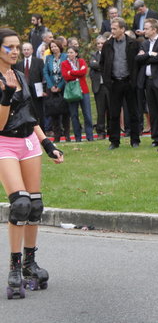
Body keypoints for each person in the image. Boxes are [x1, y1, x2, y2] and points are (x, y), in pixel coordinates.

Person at [0, 28, 64, 299]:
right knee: (20, 204)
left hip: (28, 142)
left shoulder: (22, 76)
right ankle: (14, 267)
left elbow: (30, 115)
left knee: (35, 206)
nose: (15, 51)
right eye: (9, 47)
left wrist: (48, 144)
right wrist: (7, 95)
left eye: (17, 47)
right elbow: (0, 123)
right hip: (4, 143)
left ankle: (29, 263)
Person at [100, 17, 141, 149]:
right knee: (114, 113)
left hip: (129, 82)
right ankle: (114, 141)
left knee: (133, 112)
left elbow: (137, 63)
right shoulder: (107, 45)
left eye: (115, 28)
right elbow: (102, 63)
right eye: (111, 28)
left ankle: (135, 140)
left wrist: (134, 80)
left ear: (122, 29)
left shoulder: (133, 44)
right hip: (114, 83)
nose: (112, 31)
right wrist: (107, 79)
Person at [136, 18, 158, 147]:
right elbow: (138, 59)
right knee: (153, 111)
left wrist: (146, 56)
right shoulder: (145, 44)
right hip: (148, 82)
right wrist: (151, 54)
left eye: (146, 28)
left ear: (154, 30)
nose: (144, 31)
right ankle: (156, 137)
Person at [61, 46, 94, 142]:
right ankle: (77, 137)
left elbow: (83, 72)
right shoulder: (64, 63)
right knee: (74, 115)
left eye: (71, 52)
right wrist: (76, 73)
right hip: (72, 92)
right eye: (68, 52)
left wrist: (71, 72)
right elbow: (65, 76)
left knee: (87, 114)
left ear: (76, 53)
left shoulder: (81, 61)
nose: (69, 54)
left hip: (84, 90)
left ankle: (90, 136)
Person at [13, 43, 46, 131]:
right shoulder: (18, 64)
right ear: (22, 51)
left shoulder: (39, 62)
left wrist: (44, 89)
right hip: (24, 92)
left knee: (39, 112)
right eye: (24, 50)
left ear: (32, 50)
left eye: (28, 49)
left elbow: (43, 76)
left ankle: (42, 131)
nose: (26, 51)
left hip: (37, 91)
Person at [43, 40, 70, 142]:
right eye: (52, 47)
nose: (54, 48)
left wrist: (60, 86)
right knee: (54, 112)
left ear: (59, 46)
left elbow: (66, 71)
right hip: (51, 88)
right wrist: (51, 86)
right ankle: (57, 135)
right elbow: (45, 72)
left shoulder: (65, 56)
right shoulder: (48, 58)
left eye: (55, 46)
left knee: (65, 113)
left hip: (63, 87)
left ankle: (67, 135)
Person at [89, 35, 110, 139]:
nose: (100, 45)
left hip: (109, 85)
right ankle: (101, 132)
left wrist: (99, 66)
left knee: (111, 109)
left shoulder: (111, 54)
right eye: (98, 43)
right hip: (99, 86)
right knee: (100, 111)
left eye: (102, 43)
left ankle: (112, 130)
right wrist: (103, 66)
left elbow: (110, 66)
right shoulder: (94, 55)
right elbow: (92, 66)